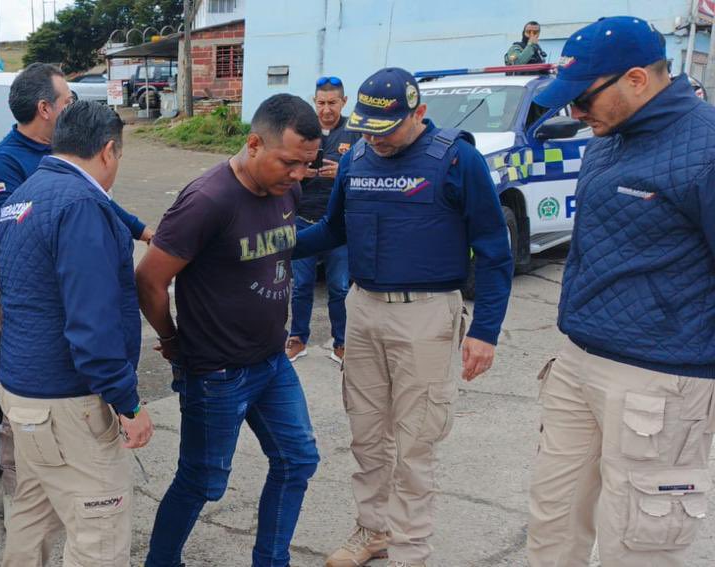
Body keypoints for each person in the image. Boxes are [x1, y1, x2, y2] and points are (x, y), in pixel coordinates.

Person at [294, 68, 514, 567]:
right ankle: (373, 531)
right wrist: (269, 245)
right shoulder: (356, 161)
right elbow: (331, 229)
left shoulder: (458, 159)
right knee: (368, 435)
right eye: (366, 127)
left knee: (416, 443)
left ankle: (411, 551)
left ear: (419, 114)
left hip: (428, 316)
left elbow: (495, 252)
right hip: (364, 310)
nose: (375, 138)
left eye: (386, 128)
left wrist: (485, 331)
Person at [523, 16, 715, 567]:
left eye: (582, 100)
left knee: (640, 542)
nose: (575, 114)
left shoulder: (704, 148)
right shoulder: (607, 142)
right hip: (577, 360)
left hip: (661, 379)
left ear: (636, 79)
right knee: (553, 519)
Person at [137, 94, 322, 567]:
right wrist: (174, 340)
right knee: (202, 480)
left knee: (297, 460)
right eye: (289, 162)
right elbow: (150, 279)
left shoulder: (287, 190)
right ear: (254, 143)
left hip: (271, 361)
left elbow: (279, 249)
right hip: (217, 372)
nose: (298, 175)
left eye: (306, 165)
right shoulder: (207, 199)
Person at [0, 62, 155, 525]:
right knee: (99, 534)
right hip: (61, 393)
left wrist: (139, 230)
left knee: (31, 516)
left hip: (26, 381)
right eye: (67, 101)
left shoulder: (44, 181)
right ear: (108, 152)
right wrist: (127, 402)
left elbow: (92, 204)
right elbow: (90, 321)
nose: (70, 107)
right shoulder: (44, 185)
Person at [0, 62, 153, 242]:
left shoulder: (65, 148)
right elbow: (15, 233)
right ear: (44, 109)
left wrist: (145, 234)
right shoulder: (2, 164)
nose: (73, 108)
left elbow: (96, 197)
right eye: (68, 102)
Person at [285, 76, 362, 365]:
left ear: (344, 102)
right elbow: (283, 164)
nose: (326, 109)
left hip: (338, 224)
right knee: (301, 286)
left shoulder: (354, 133)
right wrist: (298, 171)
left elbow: (366, 170)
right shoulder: (303, 131)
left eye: (332, 103)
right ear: (313, 102)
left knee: (340, 287)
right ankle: (297, 338)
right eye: (321, 103)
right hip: (302, 220)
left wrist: (343, 170)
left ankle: (341, 342)